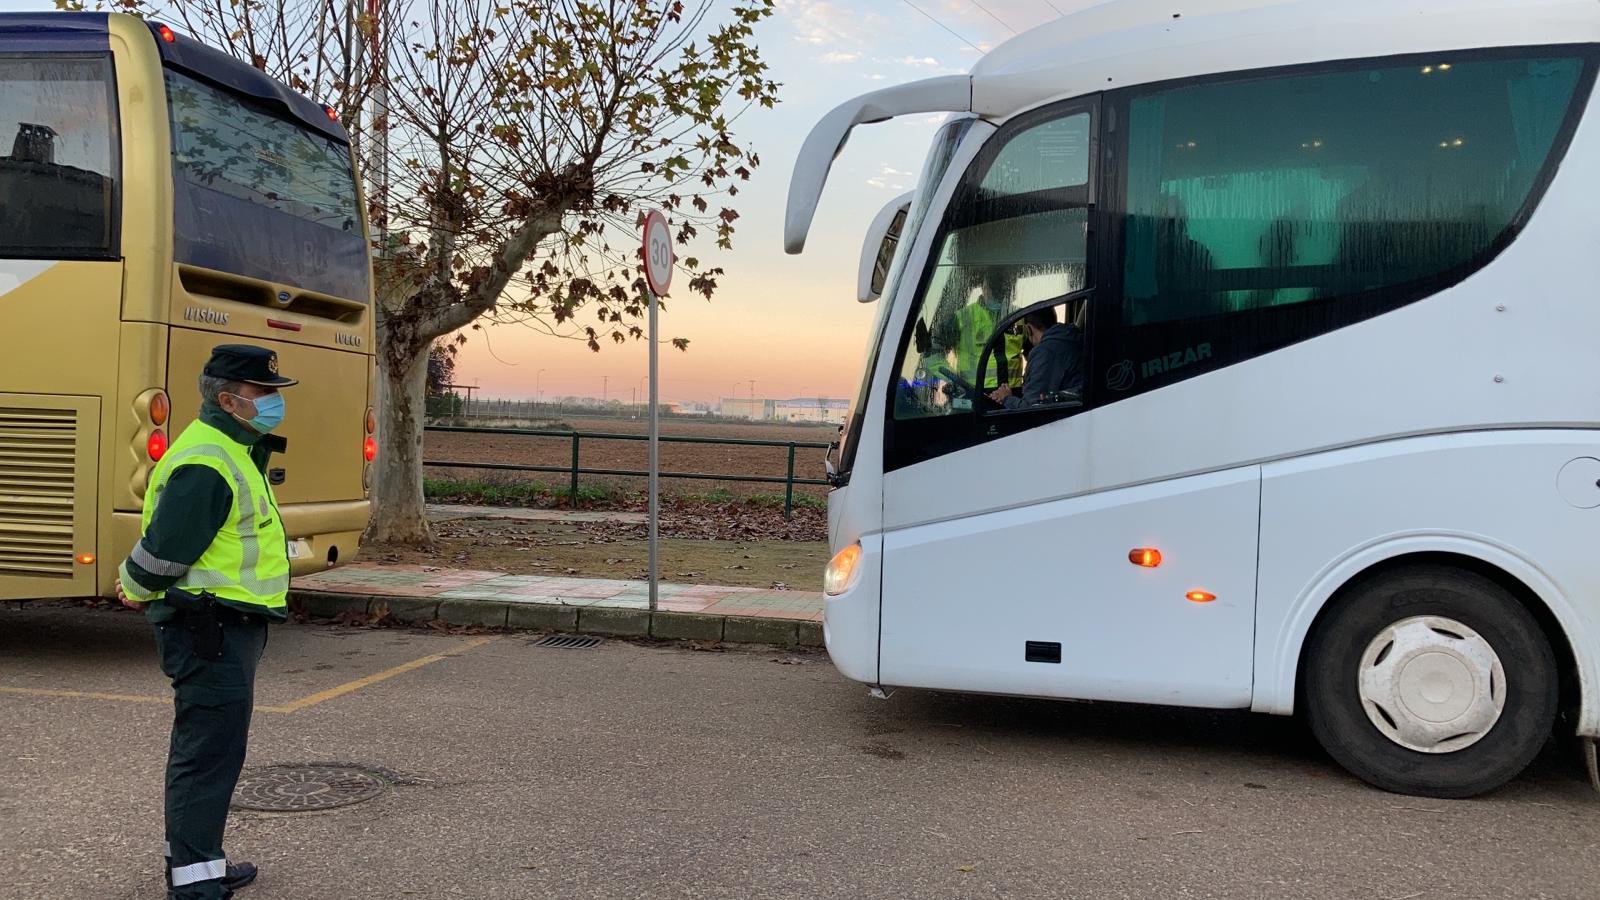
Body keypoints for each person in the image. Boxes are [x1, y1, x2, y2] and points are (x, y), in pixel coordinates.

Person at [116, 344, 298, 900]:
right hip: (208, 630)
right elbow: (164, 550)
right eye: (263, 393)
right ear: (229, 399)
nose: (273, 402)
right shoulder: (208, 460)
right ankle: (195, 885)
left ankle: (200, 866)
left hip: (223, 628)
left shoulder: (232, 449)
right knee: (207, 756)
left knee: (212, 752)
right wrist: (132, 587)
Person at [988, 307, 1084, 409]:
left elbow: (1030, 408)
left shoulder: (1046, 353)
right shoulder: (1071, 339)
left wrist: (1006, 398)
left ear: (1029, 329)